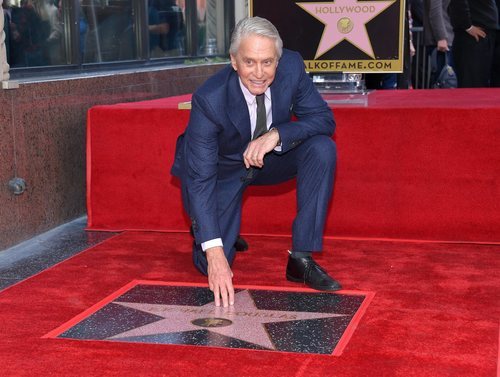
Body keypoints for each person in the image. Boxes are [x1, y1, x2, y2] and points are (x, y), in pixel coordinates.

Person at [171, 17, 341, 307]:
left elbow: (324, 120)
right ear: (234, 61)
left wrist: (277, 135)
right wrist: (213, 253)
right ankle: (215, 230)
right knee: (211, 260)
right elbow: (200, 179)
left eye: (267, 62)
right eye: (250, 62)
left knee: (322, 148)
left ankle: (301, 259)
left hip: (268, 160)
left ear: (278, 59)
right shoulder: (210, 99)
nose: (259, 73)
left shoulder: (292, 67)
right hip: (220, 170)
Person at [448, 0, 499, 87]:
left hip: (488, 33)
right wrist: (467, 26)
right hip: (474, 37)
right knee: (472, 83)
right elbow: (458, 3)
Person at [423, 0, 454, 87]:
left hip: (447, 37)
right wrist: (441, 37)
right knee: (443, 81)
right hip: (441, 41)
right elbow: (435, 11)